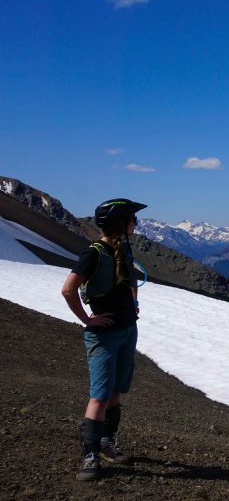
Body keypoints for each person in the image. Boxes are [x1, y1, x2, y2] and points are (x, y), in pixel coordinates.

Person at [60, 198, 146, 482]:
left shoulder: (122, 250)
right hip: (105, 335)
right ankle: (91, 453)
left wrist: (133, 302)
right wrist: (88, 320)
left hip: (126, 330)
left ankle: (106, 441)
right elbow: (68, 289)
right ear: (120, 222)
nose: (136, 224)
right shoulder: (94, 253)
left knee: (116, 390)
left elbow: (131, 279)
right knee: (99, 395)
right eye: (132, 219)